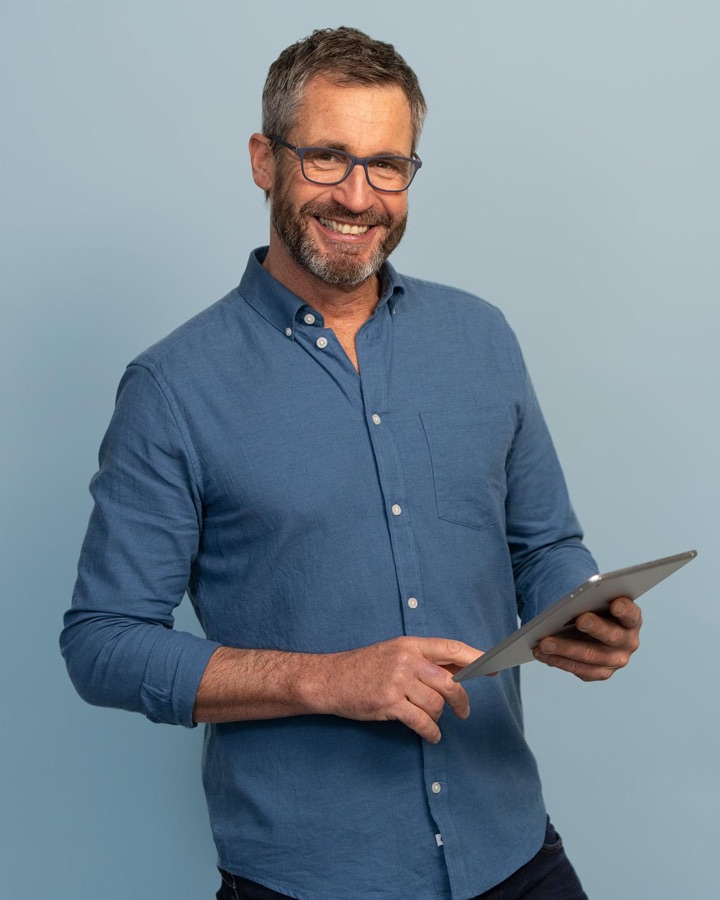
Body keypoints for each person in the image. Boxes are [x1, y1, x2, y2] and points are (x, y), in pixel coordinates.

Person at [61, 26, 642, 900]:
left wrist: (578, 607)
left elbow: (544, 542)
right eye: (327, 158)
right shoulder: (172, 387)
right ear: (265, 160)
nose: (358, 196)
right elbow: (101, 644)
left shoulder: (480, 337)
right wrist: (325, 678)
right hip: (308, 877)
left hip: (511, 849)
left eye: (386, 165)